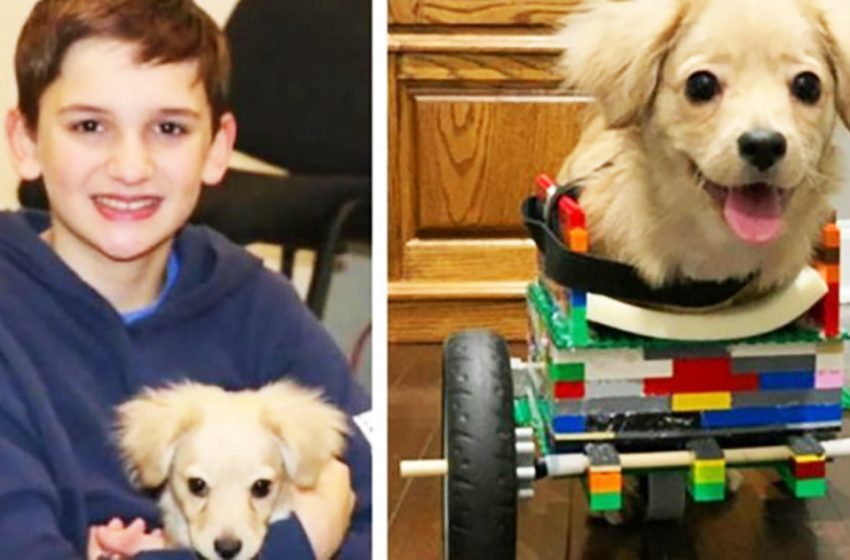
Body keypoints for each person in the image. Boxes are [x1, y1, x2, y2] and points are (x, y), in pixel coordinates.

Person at [0, 0, 371, 558]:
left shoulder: (259, 306)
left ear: (217, 147)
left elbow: (372, 513)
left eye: (168, 128)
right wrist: (298, 543)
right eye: (90, 126)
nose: (131, 168)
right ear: (26, 140)